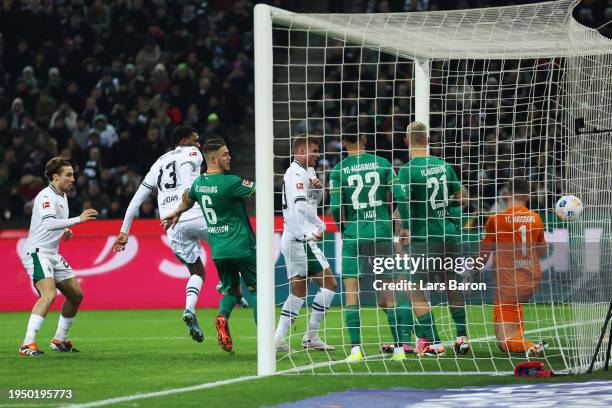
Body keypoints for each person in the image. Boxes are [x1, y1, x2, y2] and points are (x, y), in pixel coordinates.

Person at [112, 126, 208, 343]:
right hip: (191, 213)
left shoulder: (159, 162)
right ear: (184, 140)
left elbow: (136, 199)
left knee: (197, 272)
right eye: (195, 140)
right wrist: (183, 203)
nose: (199, 144)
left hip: (170, 224)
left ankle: (189, 309)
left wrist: (124, 231)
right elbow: (186, 177)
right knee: (227, 237)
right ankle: (232, 286)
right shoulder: (192, 153)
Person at [162, 138, 256, 354]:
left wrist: (177, 211)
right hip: (241, 244)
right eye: (225, 154)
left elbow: (188, 199)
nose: (229, 157)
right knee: (257, 290)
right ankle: (271, 340)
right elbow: (259, 191)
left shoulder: (199, 184)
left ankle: (222, 317)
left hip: (219, 250)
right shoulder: (231, 182)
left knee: (232, 290)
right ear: (213, 159)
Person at [329, 123, 412, 362]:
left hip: (355, 234)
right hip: (382, 231)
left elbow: (335, 207)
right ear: (365, 139)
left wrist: (343, 227)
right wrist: (404, 225)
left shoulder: (338, 170)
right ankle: (399, 349)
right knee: (390, 292)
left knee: (352, 294)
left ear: (343, 143)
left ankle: (355, 350)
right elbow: (400, 196)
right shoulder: (383, 164)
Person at [397, 121, 470, 357]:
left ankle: (435, 343)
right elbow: (462, 199)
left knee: (412, 289)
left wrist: (403, 228)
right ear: (428, 140)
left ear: (406, 141)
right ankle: (461, 336)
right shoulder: (444, 166)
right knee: (451, 283)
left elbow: (402, 203)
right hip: (448, 234)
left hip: (424, 238)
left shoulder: (407, 170)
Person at [19, 156, 98, 356]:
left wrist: (64, 231)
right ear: (55, 177)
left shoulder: (61, 195)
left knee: (76, 295)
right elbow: (47, 223)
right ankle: (27, 344)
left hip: (52, 253)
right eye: (68, 175)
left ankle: (59, 340)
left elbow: (53, 224)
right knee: (49, 294)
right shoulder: (46, 196)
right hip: (37, 252)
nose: (73, 179)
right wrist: (77, 221)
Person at [275, 136, 337, 353]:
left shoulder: (307, 172)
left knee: (299, 292)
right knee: (330, 284)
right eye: (314, 150)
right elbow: (298, 208)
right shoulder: (296, 173)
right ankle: (310, 336)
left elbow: (311, 206)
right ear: (301, 150)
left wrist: (318, 190)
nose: (318, 154)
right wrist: (309, 233)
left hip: (293, 236)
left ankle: (279, 338)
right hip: (300, 238)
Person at [481, 178, 548, 356]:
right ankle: (521, 338)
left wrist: (470, 269)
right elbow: (542, 252)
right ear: (528, 196)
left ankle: (530, 346)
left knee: (504, 343)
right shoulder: (536, 218)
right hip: (531, 281)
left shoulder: (496, 220)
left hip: (508, 285)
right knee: (515, 308)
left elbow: (484, 255)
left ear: (506, 195)